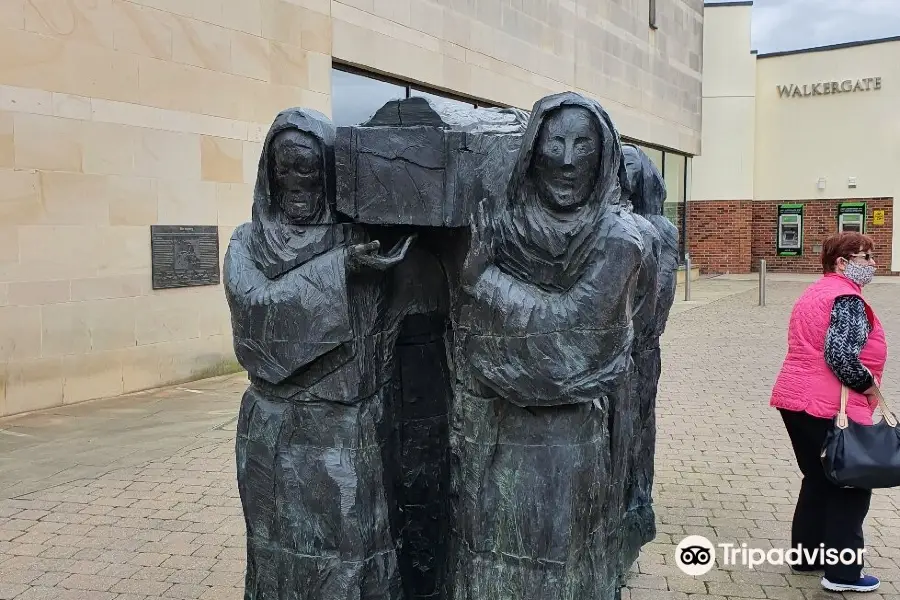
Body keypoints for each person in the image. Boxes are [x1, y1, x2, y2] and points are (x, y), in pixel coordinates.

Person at [449, 92, 645, 600]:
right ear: (532, 149)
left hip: (569, 441)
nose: (566, 159)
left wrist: (485, 281)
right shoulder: (502, 224)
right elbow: (469, 339)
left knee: (561, 562)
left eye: (583, 145)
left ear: (602, 158)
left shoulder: (620, 237)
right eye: (554, 142)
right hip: (496, 433)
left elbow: (573, 337)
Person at [223, 107, 415, 600]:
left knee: (349, 551)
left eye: (307, 167)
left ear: (328, 172)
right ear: (270, 173)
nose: (296, 181)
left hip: (342, 428)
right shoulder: (246, 244)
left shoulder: (362, 238)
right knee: (277, 552)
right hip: (274, 430)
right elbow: (257, 317)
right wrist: (339, 269)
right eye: (284, 168)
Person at [769, 231, 886, 593]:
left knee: (817, 479)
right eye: (865, 258)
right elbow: (841, 357)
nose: (872, 265)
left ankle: (807, 556)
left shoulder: (817, 291)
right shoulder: (846, 299)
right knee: (851, 485)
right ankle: (843, 574)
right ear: (842, 262)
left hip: (796, 400)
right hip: (830, 406)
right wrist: (869, 386)